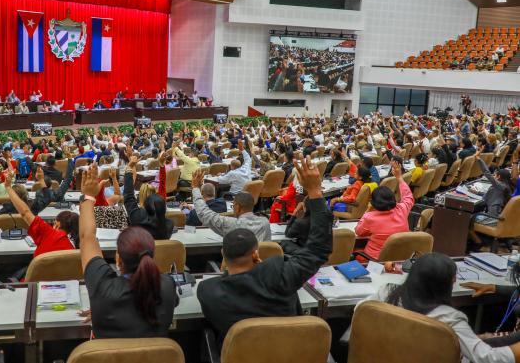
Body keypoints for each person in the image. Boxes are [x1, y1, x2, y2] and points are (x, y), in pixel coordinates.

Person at [197, 154, 332, 340]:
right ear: (256, 254)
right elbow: (319, 248)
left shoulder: (207, 291)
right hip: (290, 354)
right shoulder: (282, 276)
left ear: (223, 257)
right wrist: (315, 191)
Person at [348, 253, 520, 363]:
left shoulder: (387, 292)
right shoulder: (450, 319)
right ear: (446, 285)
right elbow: (487, 358)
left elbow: (360, 310)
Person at [77, 163, 179, 338]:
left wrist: (88, 197)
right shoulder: (168, 286)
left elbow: (87, 236)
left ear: (119, 259)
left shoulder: (102, 287)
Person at [3, 170, 76, 256]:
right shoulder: (76, 250)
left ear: (57, 225)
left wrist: (8, 187)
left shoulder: (48, 233)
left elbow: (25, 213)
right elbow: (46, 198)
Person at [355, 161, 414, 260]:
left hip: (375, 259)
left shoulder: (369, 217)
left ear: (373, 202)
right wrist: (399, 178)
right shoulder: (402, 209)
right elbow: (408, 197)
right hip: (400, 256)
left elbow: (359, 232)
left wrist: (367, 211)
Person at [191, 169, 271, 241]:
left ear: (238, 207)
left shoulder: (232, 224)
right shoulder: (265, 222)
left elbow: (205, 214)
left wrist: (195, 188)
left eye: (233, 206)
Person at [123, 153, 173, 239]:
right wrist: (161, 165)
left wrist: (129, 168)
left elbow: (128, 195)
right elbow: (162, 184)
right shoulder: (168, 224)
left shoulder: (137, 216)